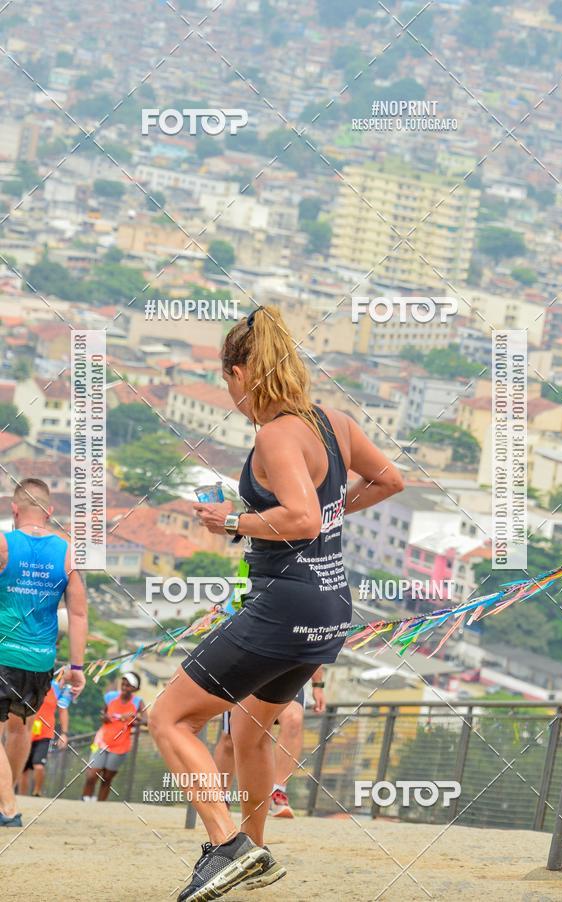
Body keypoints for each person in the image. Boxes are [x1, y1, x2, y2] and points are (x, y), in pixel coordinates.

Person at [149, 305, 404, 901]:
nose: (226, 391)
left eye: (225, 378)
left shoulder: (277, 433)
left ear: (242, 373)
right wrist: (324, 516)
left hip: (283, 604)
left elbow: (302, 516)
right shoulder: (332, 422)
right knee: (250, 730)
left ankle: (226, 846)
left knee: (169, 717)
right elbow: (390, 480)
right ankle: (254, 850)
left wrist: (233, 520)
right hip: (329, 606)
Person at [0, 478, 87, 827]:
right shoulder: (67, 552)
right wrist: (77, 665)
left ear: (14, 509)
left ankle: (7, 807)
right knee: (21, 729)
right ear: (50, 512)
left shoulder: (4, 543)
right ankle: (8, 798)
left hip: (4, 651)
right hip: (40, 659)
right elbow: (78, 614)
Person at [214, 668, 326, 818]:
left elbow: (316, 646)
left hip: (289, 671)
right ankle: (220, 796)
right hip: (250, 666)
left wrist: (318, 685)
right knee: (231, 738)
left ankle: (277, 793)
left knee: (294, 721)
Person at [81, 672, 146, 801]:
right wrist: (104, 717)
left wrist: (134, 718)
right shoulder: (110, 697)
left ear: (136, 689)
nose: (125, 687)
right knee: (92, 775)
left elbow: (145, 721)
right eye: (123, 684)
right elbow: (103, 714)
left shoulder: (138, 702)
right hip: (102, 741)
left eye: (129, 685)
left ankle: (100, 804)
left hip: (121, 745)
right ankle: (84, 799)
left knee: (107, 778)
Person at [19, 677, 72, 797]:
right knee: (24, 769)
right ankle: (22, 797)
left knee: (38, 765)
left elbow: (63, 711)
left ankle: (37, 791)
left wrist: (64, 733)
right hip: (27, 731)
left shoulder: (57, 688)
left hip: (45, 733)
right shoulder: (29, 683)